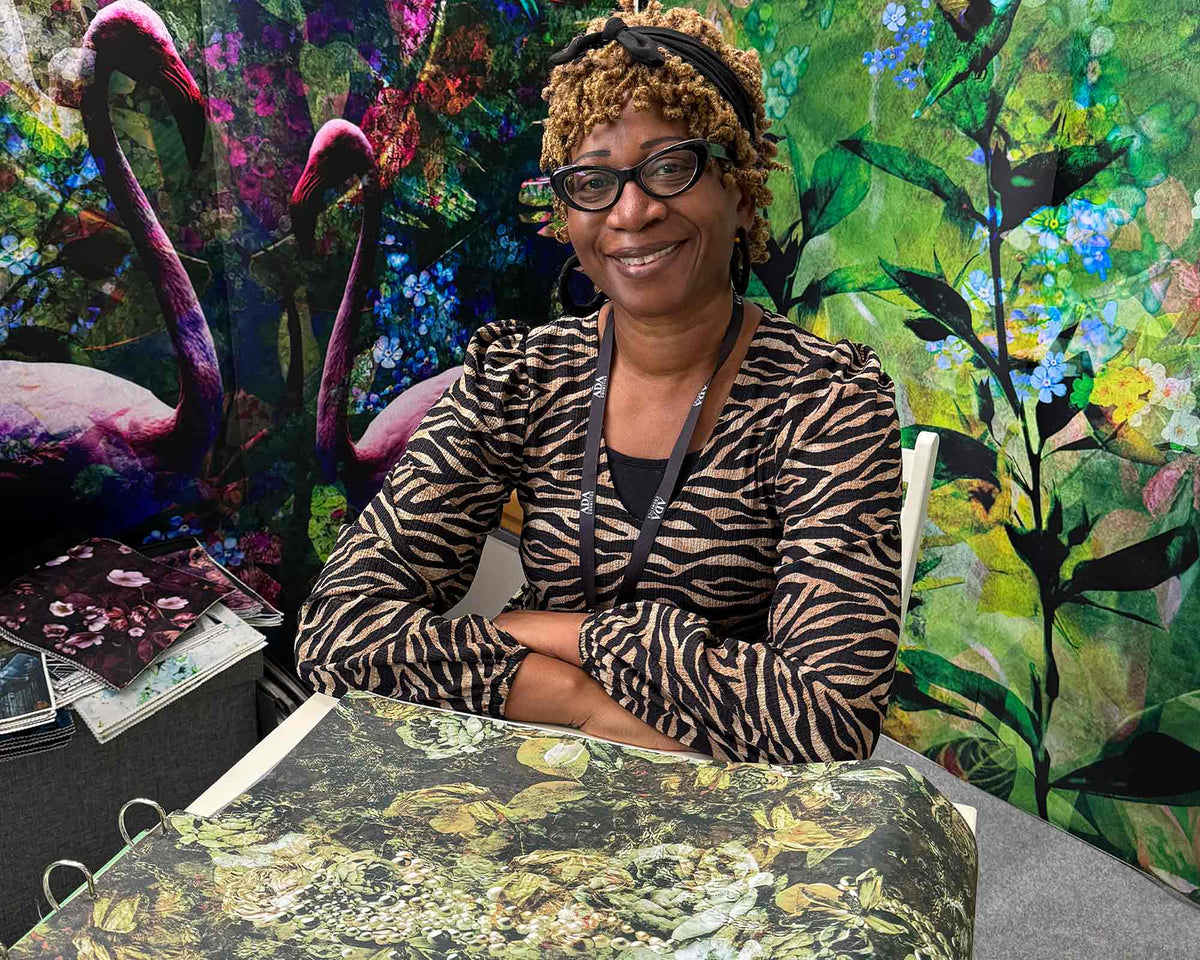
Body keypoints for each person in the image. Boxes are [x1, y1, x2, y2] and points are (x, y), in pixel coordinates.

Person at [294, 0, 903, 764]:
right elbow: (336, 631)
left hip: (731, 808)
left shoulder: (826, 405)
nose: (633, 211)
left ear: (741, 190)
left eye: (672, 166)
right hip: (534, 767)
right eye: (593, 182)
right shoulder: (521, 379)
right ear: (568, 211)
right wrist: (578, 705)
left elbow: (826, 719)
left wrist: (569, 635)